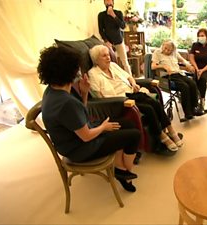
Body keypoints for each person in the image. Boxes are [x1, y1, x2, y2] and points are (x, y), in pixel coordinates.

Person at [38, 45, 141, 192]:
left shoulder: (53, 90)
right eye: (77, 68)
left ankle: (119, 169)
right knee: (133, 135)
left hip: (75, 138)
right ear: (69, 72)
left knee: (127, 123)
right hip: (80, 149)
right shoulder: (66, 102)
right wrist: (103, 127)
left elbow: (79, 115)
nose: (80, 72)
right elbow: (86, 136)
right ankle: (124, 172)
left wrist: (85, 93)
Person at [87, 45, 183, 153]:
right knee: (148, 109)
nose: (108, 58)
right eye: (104, 56)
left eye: (108, 55)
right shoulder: (93, 74)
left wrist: (133, 83)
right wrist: (117, 102)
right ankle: (161, 135)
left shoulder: (113, 65)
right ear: (96, 59)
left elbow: (128, 76)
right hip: (120, 102)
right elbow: (98, 96)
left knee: (154, 103)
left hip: (131, 92)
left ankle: (171, 130)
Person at [151, 40, 204, 120]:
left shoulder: (174, 52)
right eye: (165, 48)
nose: (167, 51)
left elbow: (182, 60)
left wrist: (188, 65)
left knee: (192, 83)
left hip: (178, 73)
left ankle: (194, 108)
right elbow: (153, 66)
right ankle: (188, 113)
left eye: (169, 50)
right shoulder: (157, 52)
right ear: (163, 45)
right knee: (184, 86)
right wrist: (163, 66)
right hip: (167, 76)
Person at [98, 0, 132, 76]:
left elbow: (123, 26)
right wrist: (106, 41)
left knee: (125, 62)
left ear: (113, 3)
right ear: (104, 3)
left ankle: (131, 80)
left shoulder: (118, 13)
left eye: (110, 2)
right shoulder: (101, 15)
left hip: (119, 40)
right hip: (108, 42)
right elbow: (101, 30)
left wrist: (113, 15)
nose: (109, 3)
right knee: (109, 62)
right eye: (107, 2)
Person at [189, 28, 207, 113]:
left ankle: (202, 102)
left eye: (202, 36)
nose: (200, 37)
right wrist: (197, 69)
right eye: (199, 36)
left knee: (202, 78)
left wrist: (202, 70)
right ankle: (194, 101)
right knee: (193, 78)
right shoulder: (195, 45)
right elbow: (191, 58)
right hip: (196, 67)